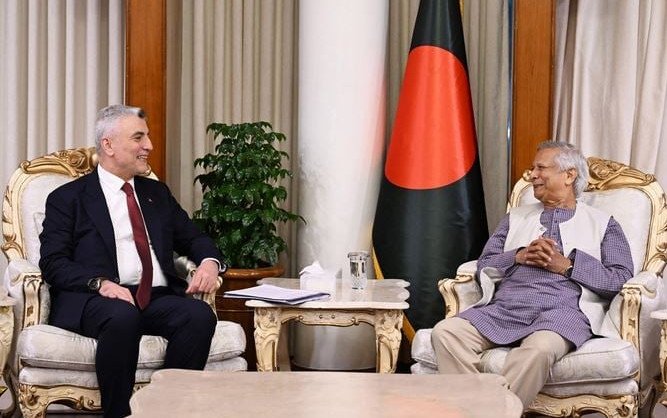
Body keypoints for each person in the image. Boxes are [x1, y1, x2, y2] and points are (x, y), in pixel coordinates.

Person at [39, 104, 226, 418]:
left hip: (153, 296)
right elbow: (53, 262)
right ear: (109, 145)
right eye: (138, 138)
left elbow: (194, 238)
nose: (149, 146)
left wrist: (209, 262)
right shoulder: (68, 198)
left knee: (198, 315)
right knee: (122, 316)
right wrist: (100, 283)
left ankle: (167, 412)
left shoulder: (157, 193)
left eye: (147, 137)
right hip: (95, 299)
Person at [430, 141, 634, 408]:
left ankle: (490, 412)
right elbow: (485, 263)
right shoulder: (515, 218)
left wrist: (567, 265)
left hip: (561, 314)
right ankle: (481, 411)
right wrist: (519, 256)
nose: (532, 175)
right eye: (532, 169)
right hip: (506, 309)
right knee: (446, 333)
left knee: (539, 349)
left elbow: (620, 278)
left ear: (569, 175)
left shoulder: (603, 224)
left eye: (541, 168)